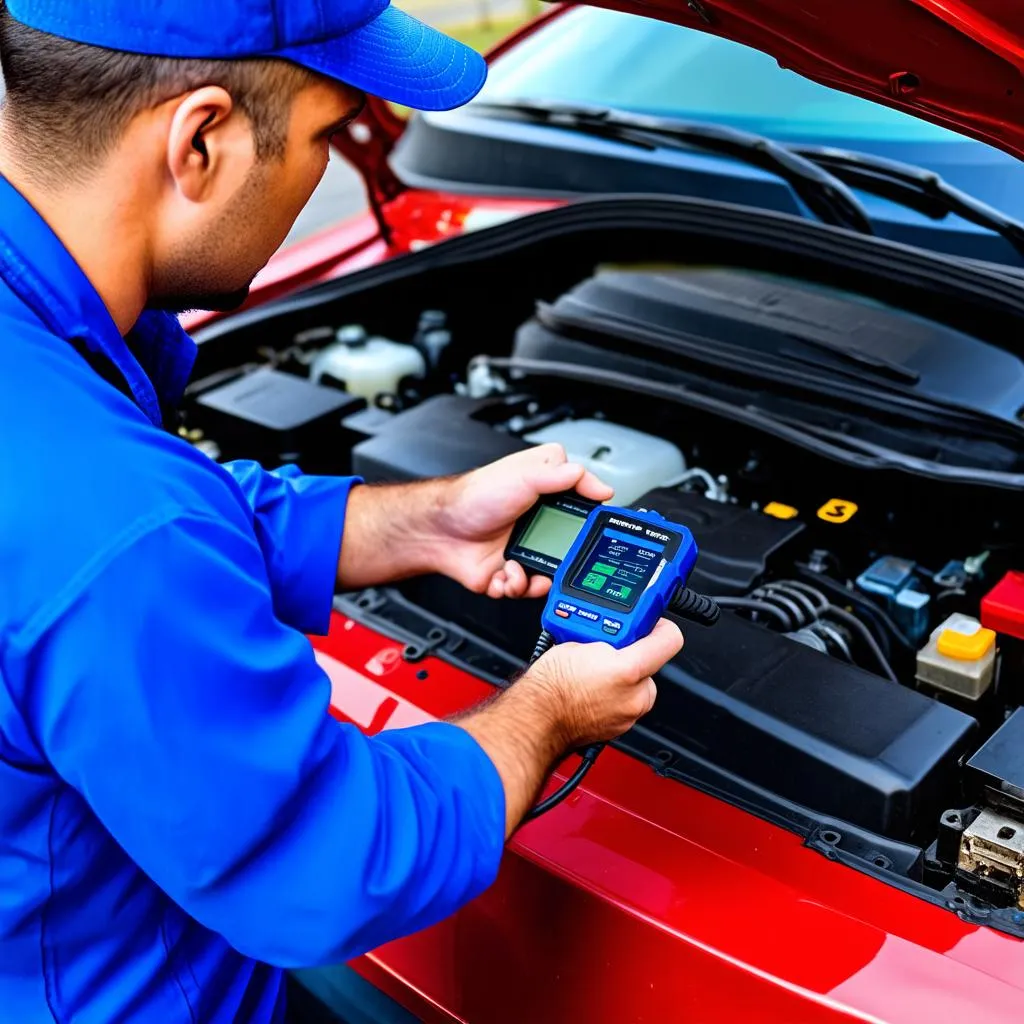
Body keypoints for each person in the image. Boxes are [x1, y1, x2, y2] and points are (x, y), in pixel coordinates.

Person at [0, 0, 685, 1021]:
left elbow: (107, 545)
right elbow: (326, 858)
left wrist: (417, 518)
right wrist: (546, 709)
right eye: (327, 134)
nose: (326, 166)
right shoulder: (117, 523)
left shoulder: (48, 381)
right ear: (201, 141)